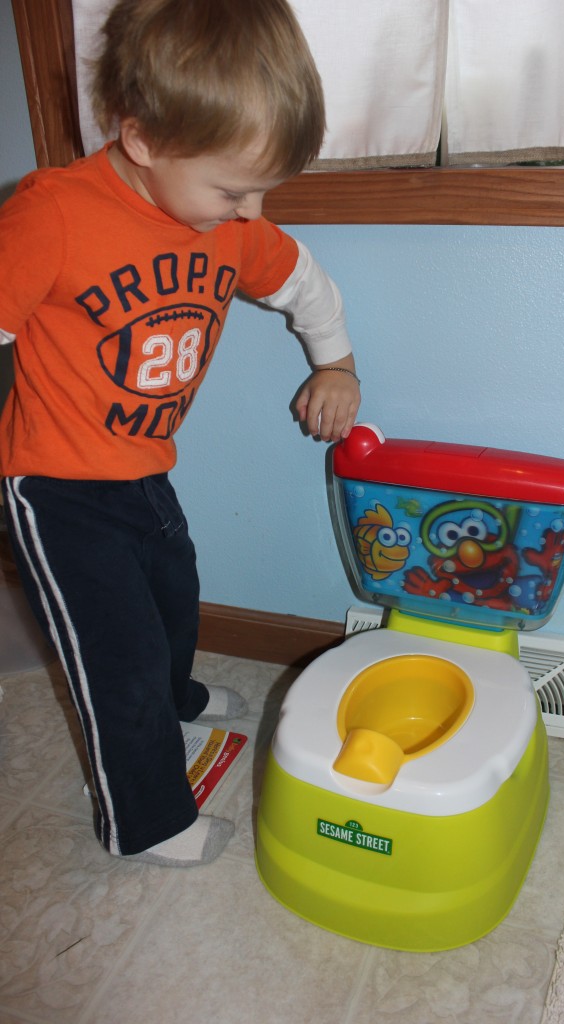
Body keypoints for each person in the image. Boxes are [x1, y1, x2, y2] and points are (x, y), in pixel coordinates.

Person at [0, 0, 360, 867]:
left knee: (171, 598)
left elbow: (303, 280)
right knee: (113, 657)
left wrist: (337, 365)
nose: (253, 211)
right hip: (53, 486)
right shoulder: (53, 212)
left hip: (142, 467)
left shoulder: (228, 224)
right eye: (237, 189)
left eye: (266, 189)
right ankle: (149, 822)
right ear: (141, 140)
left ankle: (178, 697)